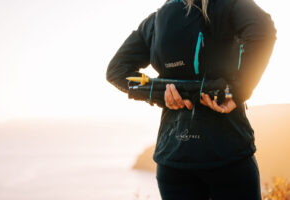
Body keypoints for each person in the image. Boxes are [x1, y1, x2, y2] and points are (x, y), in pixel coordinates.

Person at [106, 0, 276, 199]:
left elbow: (116, 71)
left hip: (173, 159)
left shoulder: (156, 20)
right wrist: (236, 92)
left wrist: (159, 93)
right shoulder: (227, 5)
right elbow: (263, 29)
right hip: (227, 152)